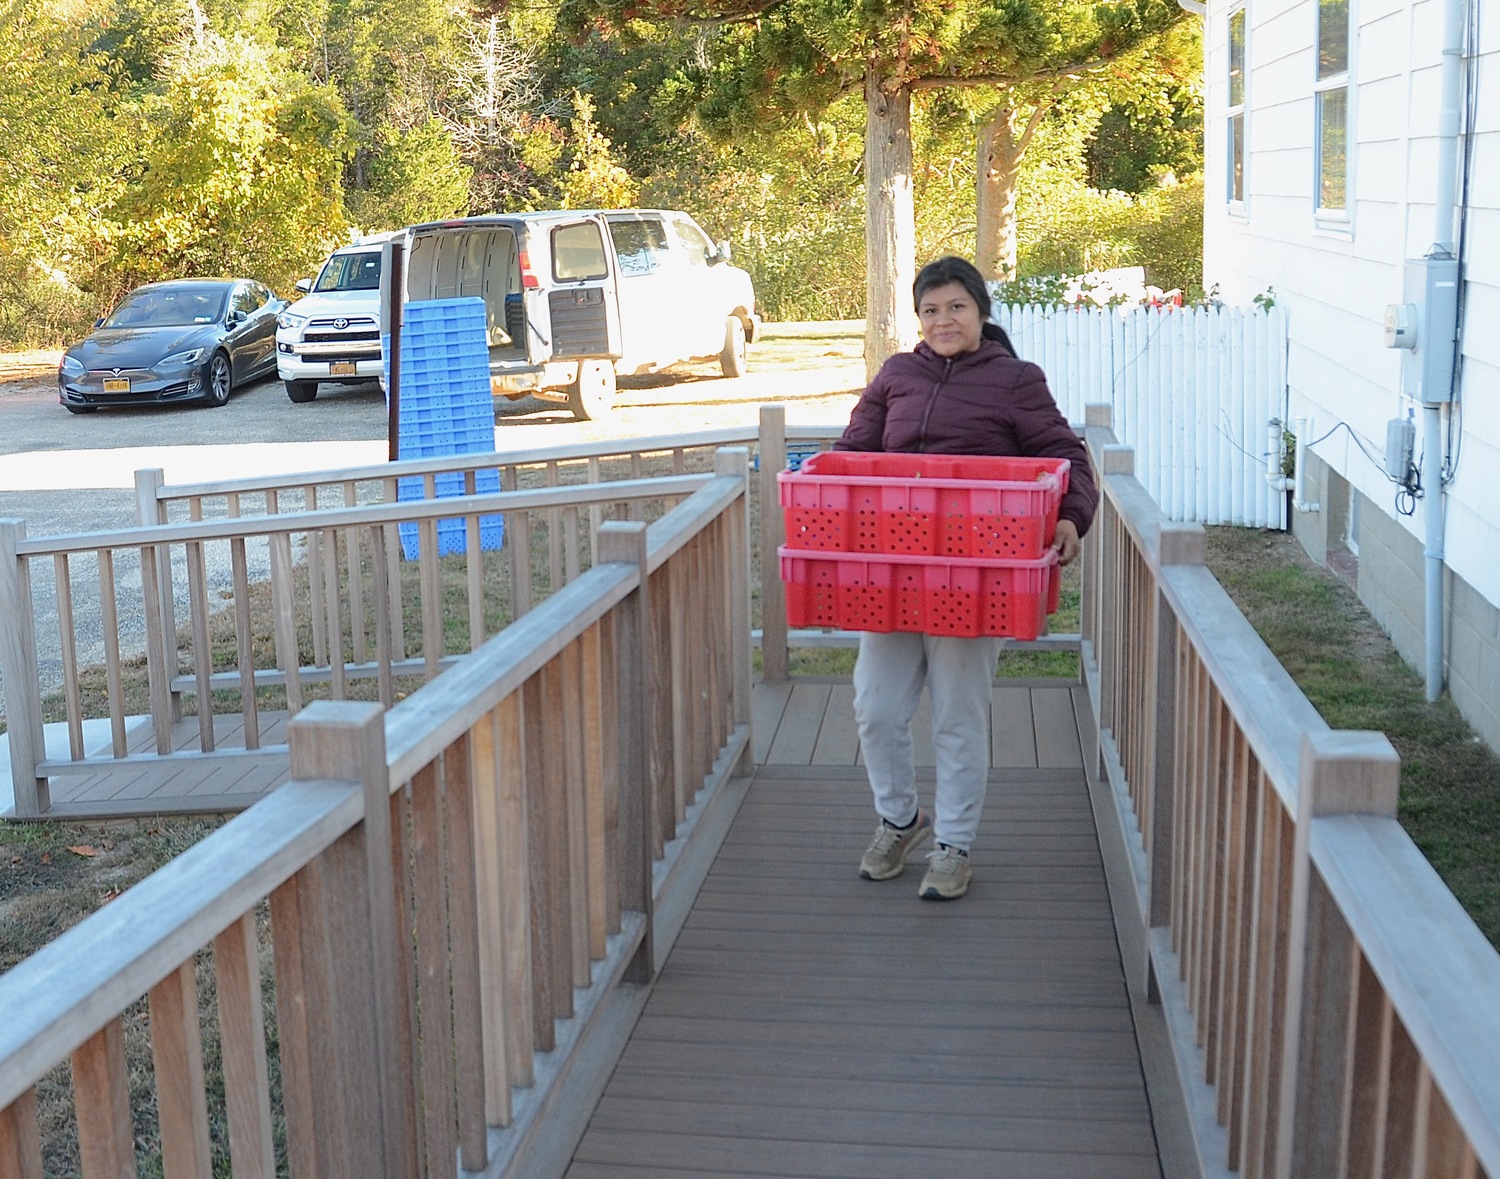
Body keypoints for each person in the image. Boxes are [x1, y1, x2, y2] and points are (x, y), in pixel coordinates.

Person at [836, 256, 1099, 900]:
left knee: (957, 714)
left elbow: (1064, 454)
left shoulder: (1015, 380)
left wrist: (1070, 516)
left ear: (980, 310)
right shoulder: (897, 374)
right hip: (892, 567)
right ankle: (901, 821)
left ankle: (953, 844)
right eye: (930, 310)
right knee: (876, 707)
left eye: (955, 306)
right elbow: (854, 449)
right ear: (918, 320)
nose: (942, 319)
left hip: (977, 573)